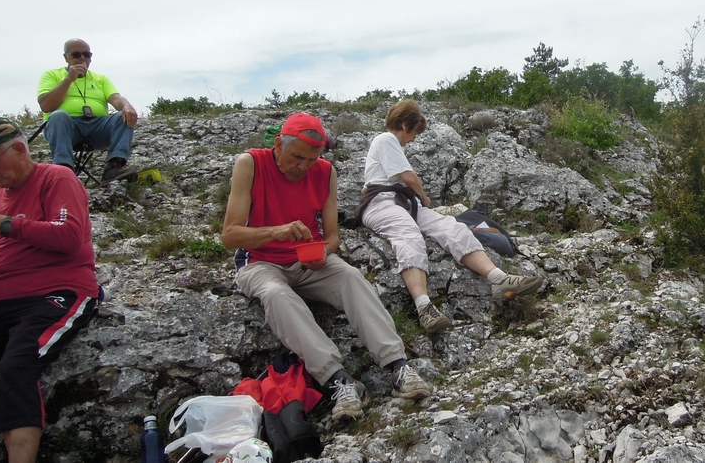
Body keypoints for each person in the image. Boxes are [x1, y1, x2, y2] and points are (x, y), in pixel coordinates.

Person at [222, 112, 431, 422]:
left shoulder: (324, 172)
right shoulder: (250, 164)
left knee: (350, 277)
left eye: (311, 159)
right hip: (260, 262)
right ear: (278, 144)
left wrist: (323, 252)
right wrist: (275, 232)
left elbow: (332, 237)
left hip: (308, 261)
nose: (303, 166)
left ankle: (398, 364)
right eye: (296, 157)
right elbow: (230, 235)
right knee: (276, 294)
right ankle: (339, 380)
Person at [0, 118, 101, 462]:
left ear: (19, 148)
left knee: (17, 366)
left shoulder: (57, 177)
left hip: (54, 291)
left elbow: (69, 236)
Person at [357, 100, 543, 334]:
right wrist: (423, 197)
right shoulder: (386, 140)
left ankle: (498, 278)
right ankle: (424, 308)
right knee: (409, 234)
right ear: (405, 125)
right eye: (414, 132)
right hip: (382, 204)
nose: (413, 139)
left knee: (451, 226)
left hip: (402, 203)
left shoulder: (391, 145)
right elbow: (409, 178)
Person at [37, 38, 138, 185]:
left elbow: (116, 99)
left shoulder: (100, 79)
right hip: (68, 127)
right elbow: (46, 105)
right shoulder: (52, 75)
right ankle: (64, 171)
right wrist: (68, 79)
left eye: (86, 54)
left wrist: (127, 106)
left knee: (121, 117)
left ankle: (114, 167)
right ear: (66, 57)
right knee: (58, 115)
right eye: (76, 54)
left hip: (97, 127)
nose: (82, 58)